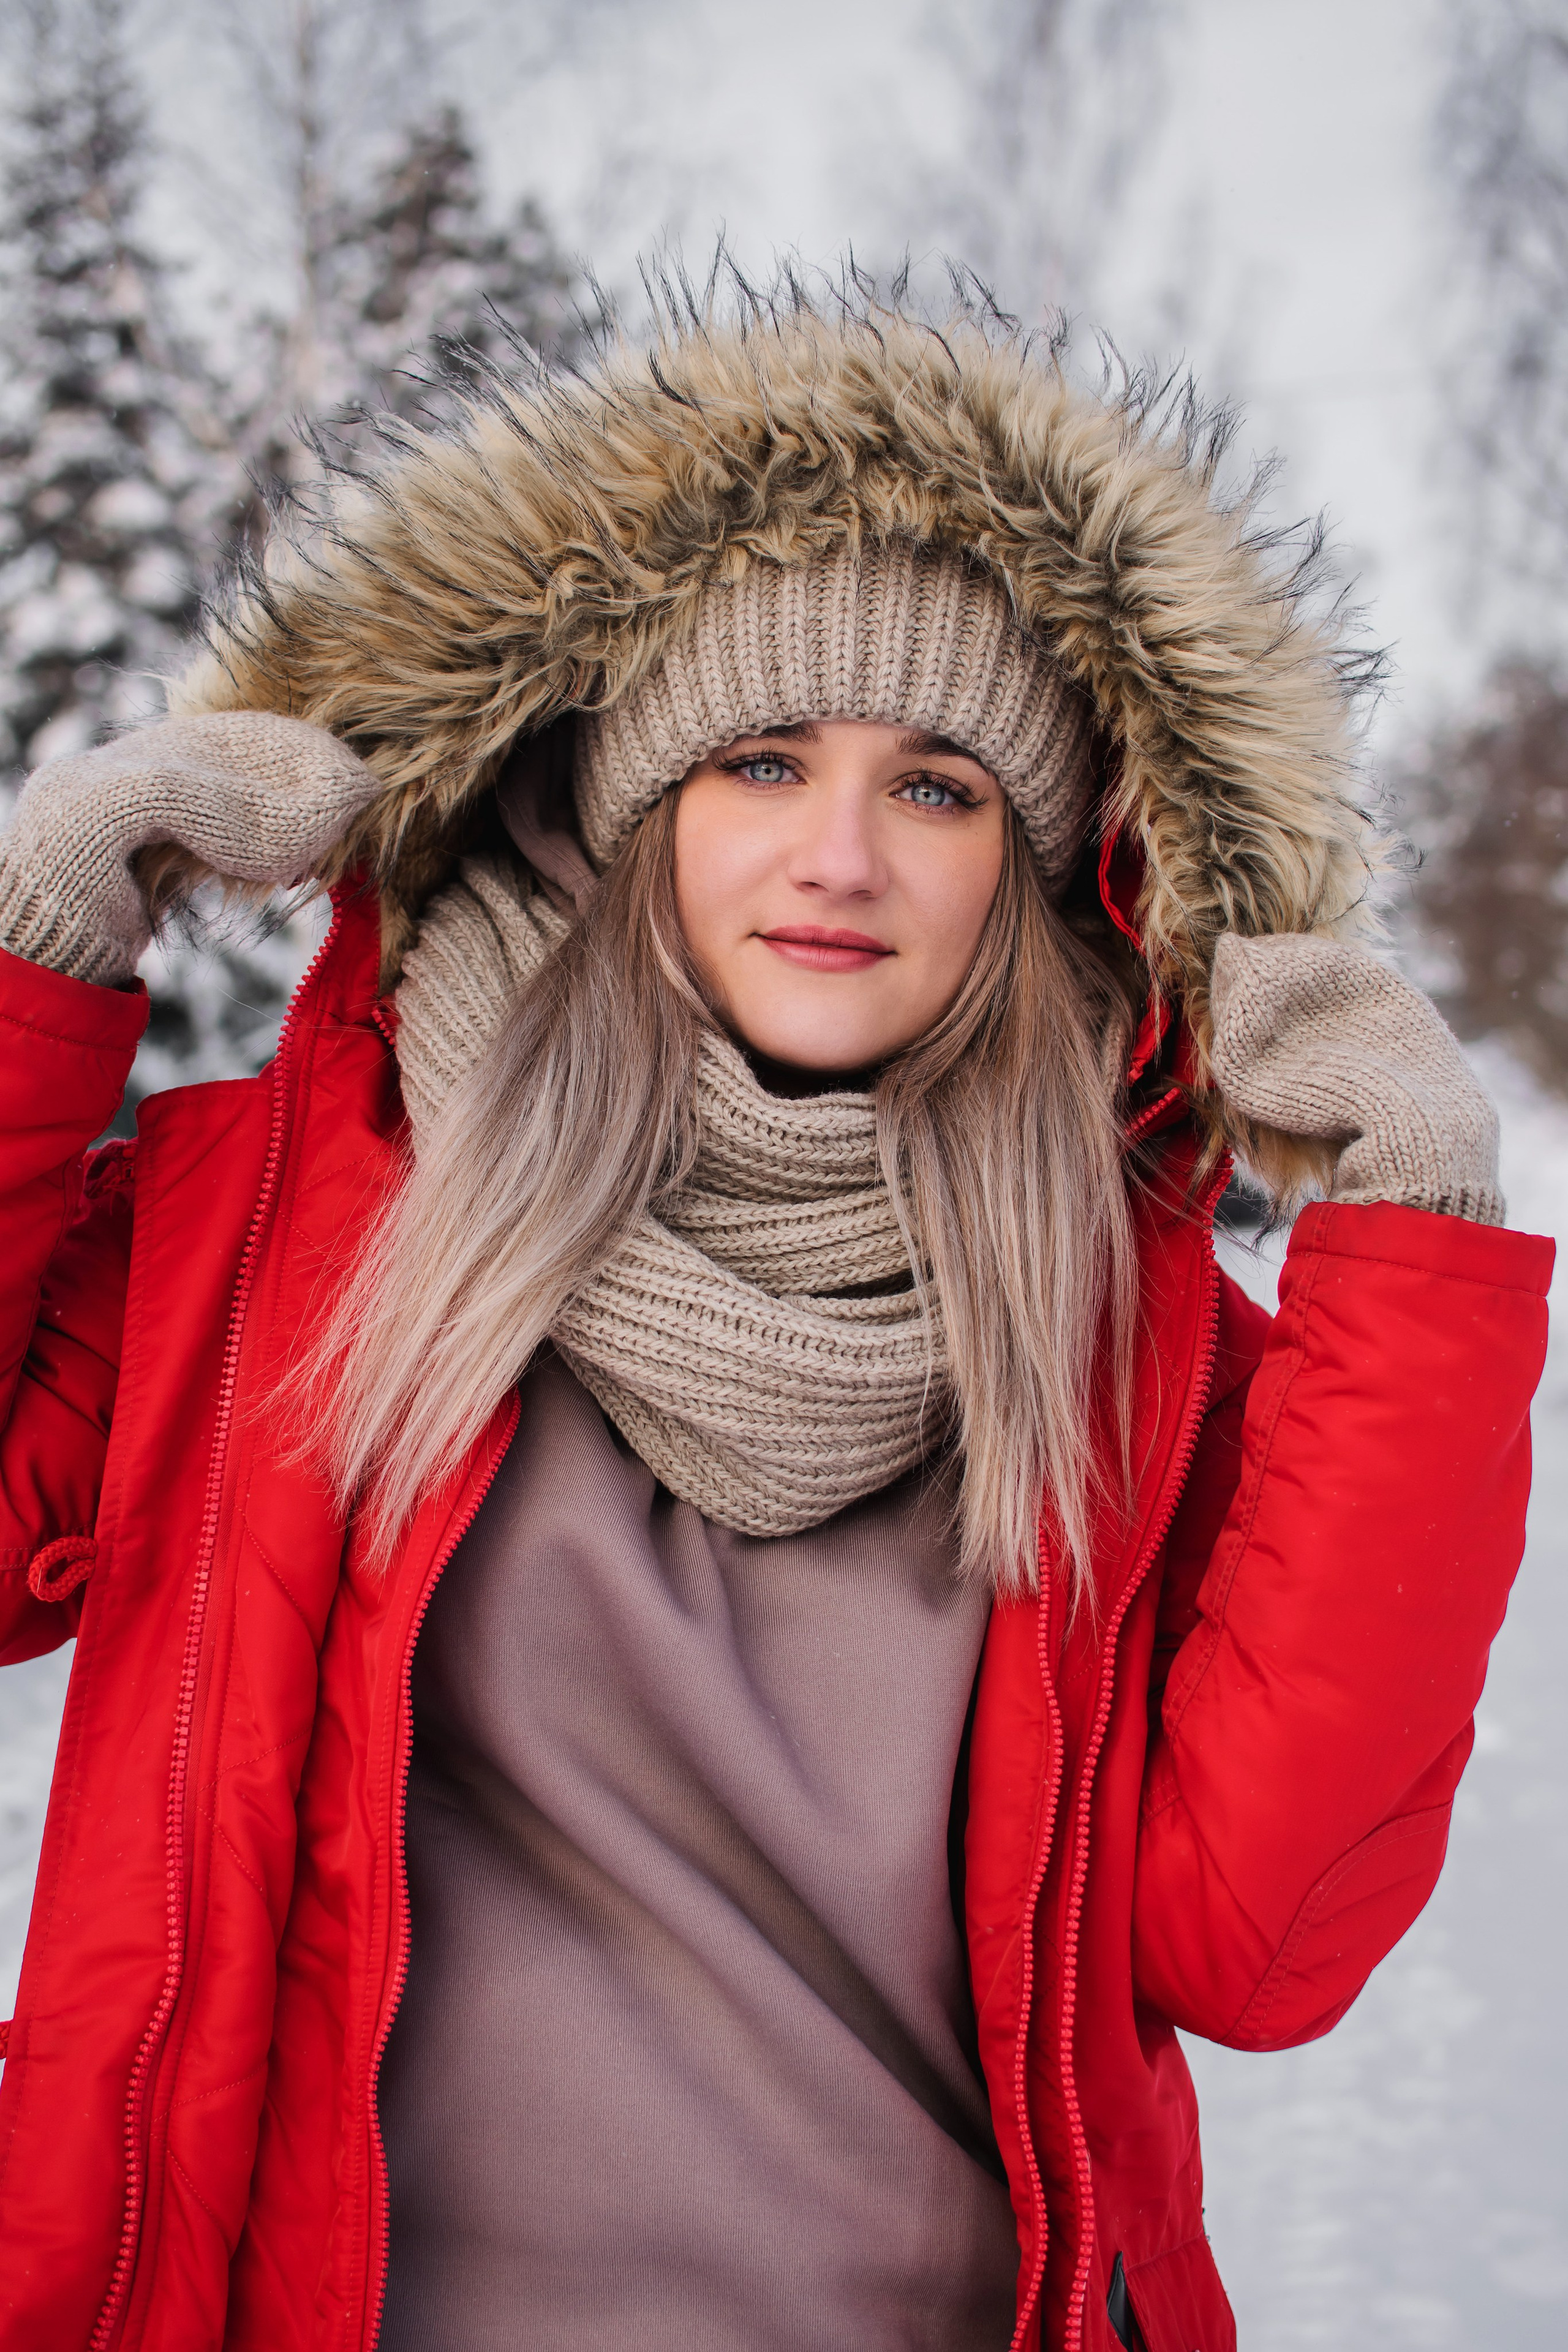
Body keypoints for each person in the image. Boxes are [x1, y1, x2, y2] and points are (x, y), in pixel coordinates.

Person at [0, 285, 1550, 2352]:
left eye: (940, 788)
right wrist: (39, 950)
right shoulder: (275, 1235)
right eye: (758, 760)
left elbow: (1257, 1949)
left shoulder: (1141, 1362)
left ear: (1038, 868)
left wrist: (1420, 1245)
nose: (840, 857)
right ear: (625, 807)